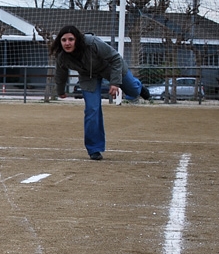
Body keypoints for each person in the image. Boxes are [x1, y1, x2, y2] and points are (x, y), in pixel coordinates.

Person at [51, 25, 150, 160]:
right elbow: (60, 74)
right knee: (92, 109)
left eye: (71, 39)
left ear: (77, 39)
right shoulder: (62, 56)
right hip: (88, 77)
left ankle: (139, 86)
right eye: (63, 40)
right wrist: (60, 90)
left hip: (110, 67)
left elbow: (115, 59)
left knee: (132, 89)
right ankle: (94, 149)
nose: (67, 43)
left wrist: (115, 83)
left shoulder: (92, 43)